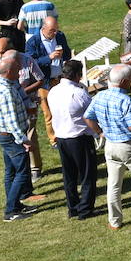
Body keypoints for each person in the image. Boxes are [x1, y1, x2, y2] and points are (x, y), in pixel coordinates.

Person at [84, 63, 131, 228]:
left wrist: (100, 133)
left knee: (114, 185)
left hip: (110, 145)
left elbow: (87, 117)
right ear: (124, 82)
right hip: (129, 145)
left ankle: (115, 221)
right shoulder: (126, 100)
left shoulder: (99, 96)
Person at [0, 52, 38, 221]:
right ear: (9, 71)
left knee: (10, 172)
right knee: (23, 172)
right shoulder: (7, 92)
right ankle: (10, 211)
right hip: (12, 137)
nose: (20, 71)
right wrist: (24, 140)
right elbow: (11, 121)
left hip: (4, 135)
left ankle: (16, 205)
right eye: (17, 69)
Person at [46, 58, 96, 219]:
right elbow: (92, 113)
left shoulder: (53, 91)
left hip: (61, 138)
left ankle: (72, 207)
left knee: (69, 176)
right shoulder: (79, 92)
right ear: (75, 75)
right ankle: (85, 209)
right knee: (87, 175)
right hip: (79, 138)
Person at [25, 14, 70, 146]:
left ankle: (65, 134)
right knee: (49, 113)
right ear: (43, 28)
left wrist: (64, 55)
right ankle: (54, 140)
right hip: (44, 83)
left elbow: (67, 53)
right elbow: (31, 63)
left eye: (56, 29)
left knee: (64, 109)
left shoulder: (60, 36)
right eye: (52, 30)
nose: (55, 33)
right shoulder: (33, 42)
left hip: (60, 79)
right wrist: (48, 58)